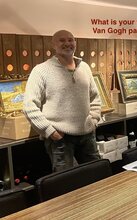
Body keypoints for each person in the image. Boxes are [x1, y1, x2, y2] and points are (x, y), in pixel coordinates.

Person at [23, 30, 101, 172]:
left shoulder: (84, 68)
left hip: (87, 134)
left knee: (96, 174)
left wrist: (94, 120)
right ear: (53, 45)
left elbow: (95, 97)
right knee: (65, 183)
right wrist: (50, 131)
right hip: (60, 139)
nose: (67, 43)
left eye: (71, 40)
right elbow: (29, 106)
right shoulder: (41, 71)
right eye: (62, 40)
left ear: (75, 43)